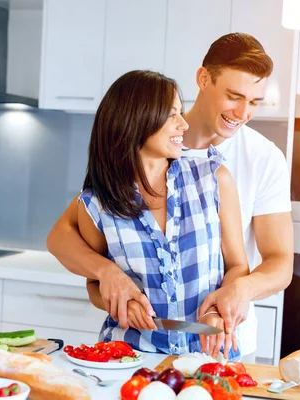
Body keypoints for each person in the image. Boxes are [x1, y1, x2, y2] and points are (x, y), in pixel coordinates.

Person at [47, 33, 294, 362]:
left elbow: (277, 262)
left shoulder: (249, 163)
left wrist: (239, 291)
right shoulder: (109, 191)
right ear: (204, 79)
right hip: (133, 355)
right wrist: (109, 277)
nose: (244, 112)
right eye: (234, 96)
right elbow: (67, 241)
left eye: (255, 102)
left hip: (218, 342)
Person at [76, 69, 249, 358]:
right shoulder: (96, 204)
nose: (183, 124)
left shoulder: (213, 179)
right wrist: (121, 305)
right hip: (128, 359)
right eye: (172, 115)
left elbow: (237, 266)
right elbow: (95, 283)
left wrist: (218, 310)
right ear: (136, 121)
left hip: (209, 357)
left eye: (181, 113)